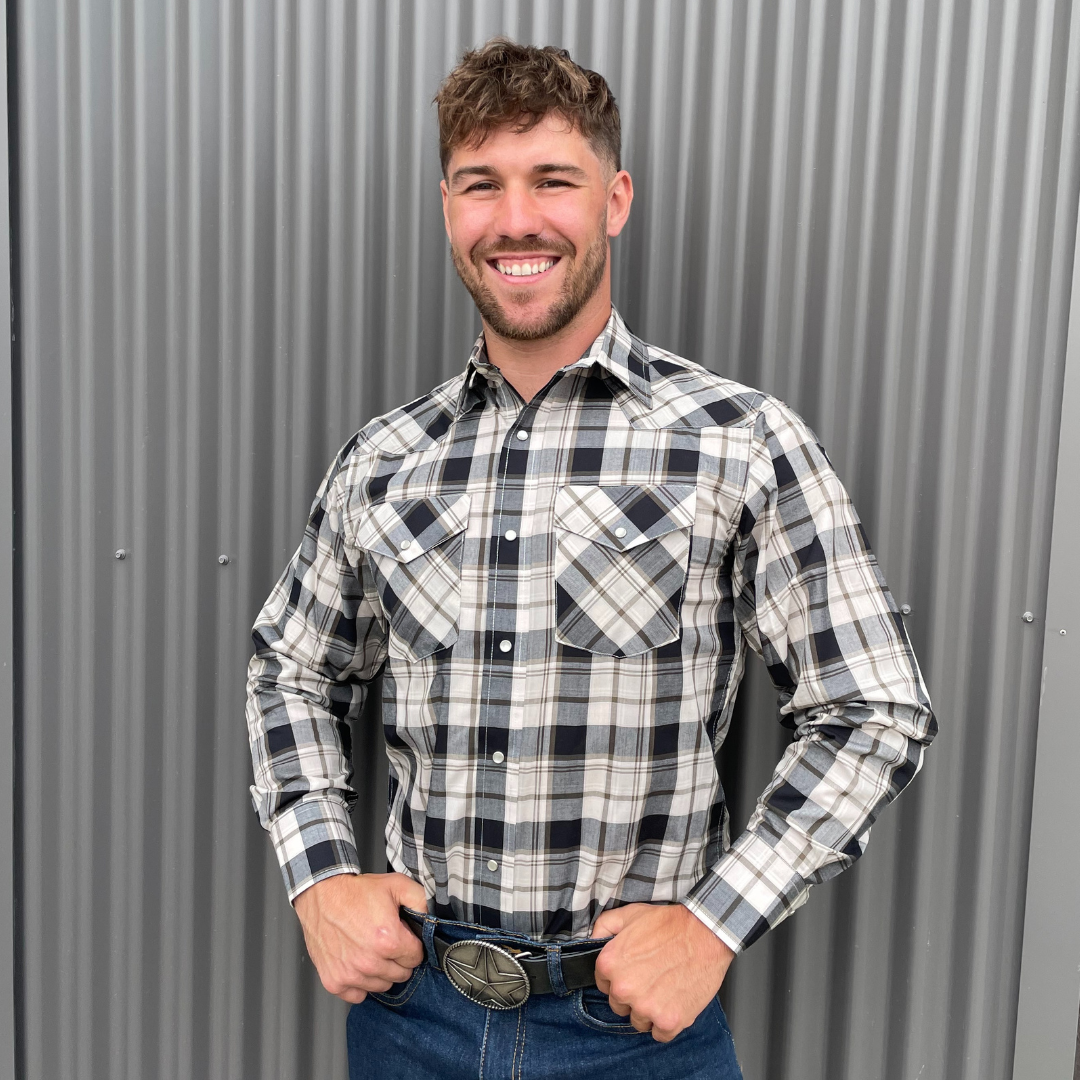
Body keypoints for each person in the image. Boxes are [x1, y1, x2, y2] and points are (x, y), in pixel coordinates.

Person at [246, 38, 936, 1080]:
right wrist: (319, 877)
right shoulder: (383, 462)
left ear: (614, 199)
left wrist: (713, 926)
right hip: (411, 1022)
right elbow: (290, 669)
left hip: (635, 1036)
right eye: (482, 185)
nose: (515, 219)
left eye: (551, 180)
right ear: (448, 207)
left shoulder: (737, 443)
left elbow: (874, 707)